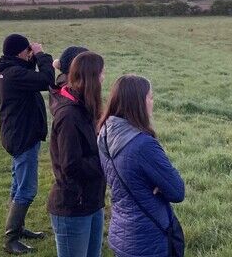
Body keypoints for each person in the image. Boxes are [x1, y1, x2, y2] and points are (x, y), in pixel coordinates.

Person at [98, 75, 185, 257]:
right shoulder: (143, 145)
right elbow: (177, 191)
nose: (153, 102)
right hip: (149, 238)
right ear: (138, 103)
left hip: (122, 233)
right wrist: (160, 185)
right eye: (150, 97)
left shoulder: (105, 133)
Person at [0, 34, 55, 254]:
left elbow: (34, 77)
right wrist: (40, 55)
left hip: (16, 134)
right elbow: (47, 79)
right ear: (20, 52)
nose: (30, 54)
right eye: (27, 51)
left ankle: (18, 228)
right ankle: (11, 239)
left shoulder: (6, 70)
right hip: (23, 137)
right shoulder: (14, 73)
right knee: (26, 189)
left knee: (17, 185)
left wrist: (33, 57)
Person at [49, 52, 106, 257]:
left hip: (93, 201)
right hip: (73, 205)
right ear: (92, 77)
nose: (103, 77)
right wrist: (106, 162)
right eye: (101, 73)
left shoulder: (86, 108)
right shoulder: (69, 116)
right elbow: (71, 165)